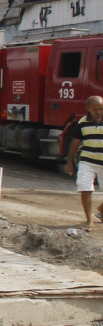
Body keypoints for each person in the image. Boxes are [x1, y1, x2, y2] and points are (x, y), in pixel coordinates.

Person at [65, 95, 103, 231]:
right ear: (87, 109)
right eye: (95, 109)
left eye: (101, 109)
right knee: (85, 189)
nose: (99, 112)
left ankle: (101, 209)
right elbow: (75, 144)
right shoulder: (82, 123)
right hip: (87, 161)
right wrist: (69, 162)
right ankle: (89, 220)